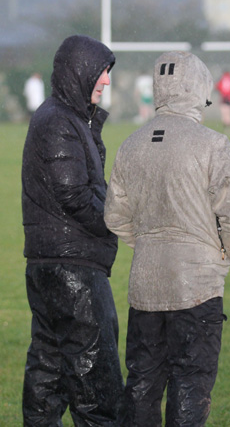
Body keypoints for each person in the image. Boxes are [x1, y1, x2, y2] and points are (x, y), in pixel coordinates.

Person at [104, 51, 230, 426]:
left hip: (145, 284)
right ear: (200, 89)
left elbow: (114, 216)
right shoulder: (213, 144)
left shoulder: (130, 144)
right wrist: (222, 256)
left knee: (142, 382)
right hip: (197, 287)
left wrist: (148, 245)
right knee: (191, 384)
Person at [21, 35, 124, 426]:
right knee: (96, 383)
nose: (107, 81)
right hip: (72, 269)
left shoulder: (64, 118)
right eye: (101, 72)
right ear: (79, 72)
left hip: (51, 264)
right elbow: (76, 196)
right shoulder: (58, 121)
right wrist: (122, 223)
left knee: (49, 370)